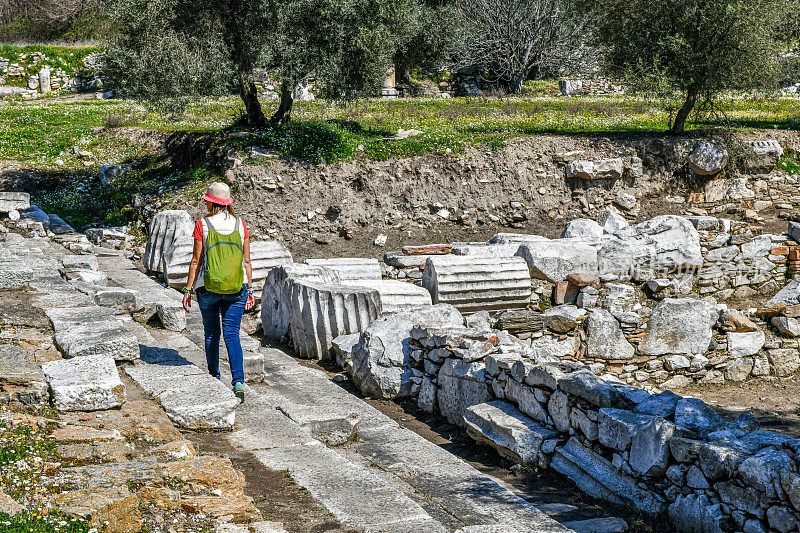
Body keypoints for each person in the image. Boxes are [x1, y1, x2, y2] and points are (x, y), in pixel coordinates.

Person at [182, 182, 255, 402]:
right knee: (232, 334)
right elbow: (247, 261)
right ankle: (238, 382)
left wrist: (187, 289)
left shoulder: (202, 224)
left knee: (212, 334)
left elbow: (196, 261)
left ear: (210, 201)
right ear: (227, 203)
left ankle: (214, 376)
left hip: (207, 288)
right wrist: (250, 290)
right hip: (236, 289)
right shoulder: (241, 225)